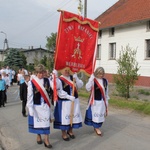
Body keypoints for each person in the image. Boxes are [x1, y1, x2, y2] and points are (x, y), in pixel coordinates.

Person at [52, 68, 83, 141]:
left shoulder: (73, 78)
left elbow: (80, 86)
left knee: (72, 116)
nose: (66, 71)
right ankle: (64, 133)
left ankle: (70, 130)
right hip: (64, 102)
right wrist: (68, 96)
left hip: (74, 101)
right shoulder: (60, 80)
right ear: (61, 71)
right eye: (65, 70)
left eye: (68, 70)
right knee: (65, 118)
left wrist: (76, 78)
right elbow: (58, 91)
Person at [26, 64, 52, 148]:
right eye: (39, 73)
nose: (41, 75)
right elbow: (30, 96)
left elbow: (54, 88)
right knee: (37, 122)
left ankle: (46, 139)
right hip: (36, 106)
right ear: (36, 73)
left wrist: (55, 76)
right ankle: (38, 135)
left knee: (46, 122)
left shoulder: (47, 80)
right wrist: (30, 107)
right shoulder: (32, 82)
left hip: (45, 105)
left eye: (42, 73)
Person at [84, 67, 109, 136]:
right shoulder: (93, 80)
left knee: (100, 115)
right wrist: (91, 79)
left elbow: (106, 91)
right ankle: (96, 127)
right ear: (96, 73)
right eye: (99, 74)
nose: (101, 75)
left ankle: (97, 127)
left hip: (102, 101)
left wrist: (106, 100)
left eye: (102, 74)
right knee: (95, 115)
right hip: (95, 101)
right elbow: (87, 88)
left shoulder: (105, 81)